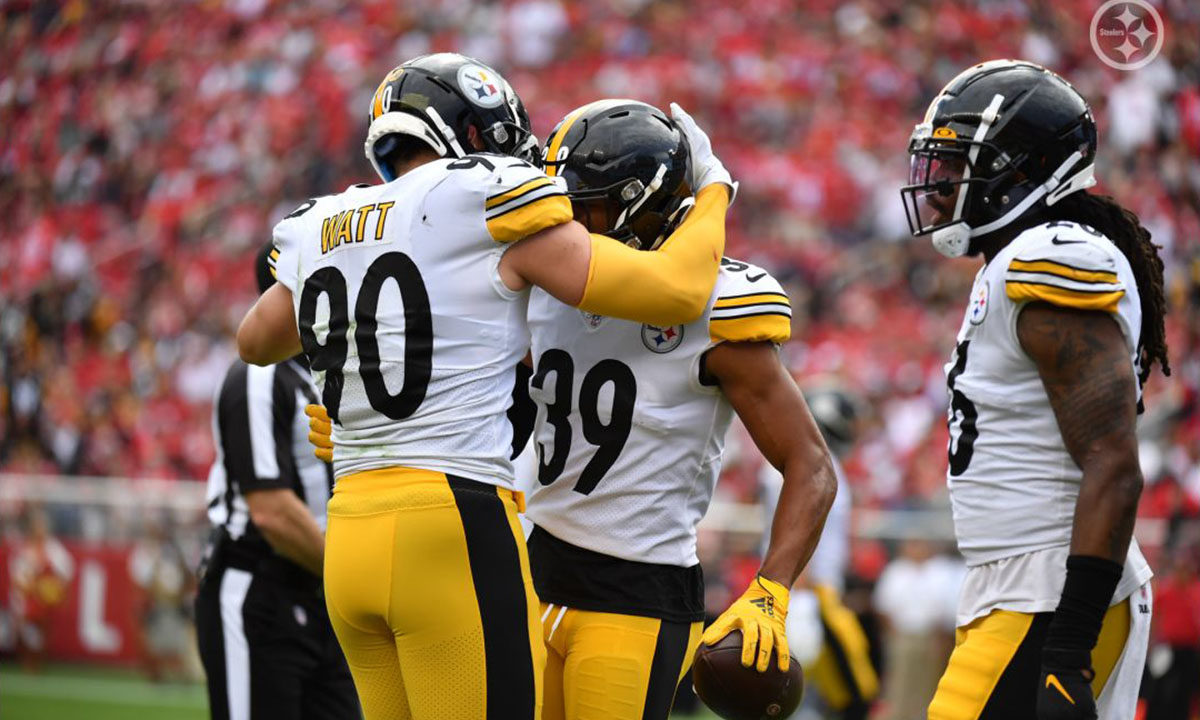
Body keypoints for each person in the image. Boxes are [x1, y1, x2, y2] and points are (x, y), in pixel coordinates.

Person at [237, 53, 733, 720]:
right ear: (472, 134)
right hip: (450, 517)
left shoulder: (324, 218)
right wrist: (712, 192)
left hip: (351, 524)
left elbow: (257, 339)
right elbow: (674, 291)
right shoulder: (481, 193)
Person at [523, 99, 837, 720]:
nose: (570, 223)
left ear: (645, 204)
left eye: (588, 205)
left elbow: (811, 464)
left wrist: (771, 591)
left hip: (633, 593)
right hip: (532, 572)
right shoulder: (546, 274)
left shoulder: (717, 310)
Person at [900, 60, 1169, 720]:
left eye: (959, 165)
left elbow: (1113, 462)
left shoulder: (1051, 256)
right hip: (1018, 585)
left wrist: (1068, 648)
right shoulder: (1020, 260)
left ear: (1021, 170)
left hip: (1050, 589)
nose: (939, 188)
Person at [195, 243, 357, 720]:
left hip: (320, 600)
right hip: (260, 591)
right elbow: (270, 510)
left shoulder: (328, 374)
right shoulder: (258, 376)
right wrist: (351, 575)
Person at [761, 386, 879, 720]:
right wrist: (800, 585)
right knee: (855, 688)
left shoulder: (815, 464)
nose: (855, 428)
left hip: (815, 589)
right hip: (809, 592)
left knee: (835, 691)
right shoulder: (801, 467)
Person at [9, 506, 73, 672]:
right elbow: (18, 577)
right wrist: (30, 587)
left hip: (45, 599)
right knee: (25, 628)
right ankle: (26, 659)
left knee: (42, 629)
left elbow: (65, 572)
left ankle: (36, 660)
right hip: (26, 597)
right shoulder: (24, 550)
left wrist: (55, 589)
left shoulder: (54, 549)